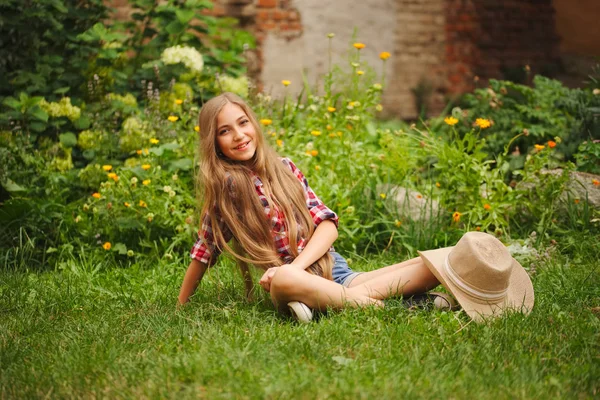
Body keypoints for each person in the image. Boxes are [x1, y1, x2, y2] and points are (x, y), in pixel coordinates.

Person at [177, 92, 455, 322]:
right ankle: (391, 308)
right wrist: (180, 307)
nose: (238, 135)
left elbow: (327, 226)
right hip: (289, 283)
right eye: (225, 131)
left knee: (438, 262)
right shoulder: (226, 189)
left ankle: (328, 304)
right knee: (284, 278)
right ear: (213, 143)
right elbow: (204, 251)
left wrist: (299, 266)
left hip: (337, 273)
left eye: (243, 123)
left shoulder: (285, 168)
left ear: (254, 124)